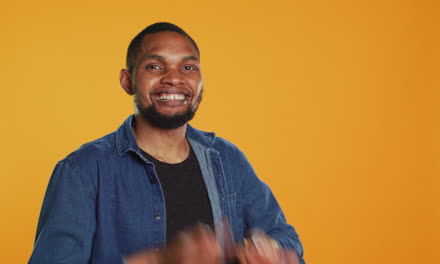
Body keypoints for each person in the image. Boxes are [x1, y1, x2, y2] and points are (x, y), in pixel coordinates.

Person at [29, 22, 305, 264]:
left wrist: (272, 252)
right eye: (154, 66)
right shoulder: (83, 171)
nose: (174, 78)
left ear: (200, 82)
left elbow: (285, 239)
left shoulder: (226, 158)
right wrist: (157, 260)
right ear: (127, 81)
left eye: (188, 67)